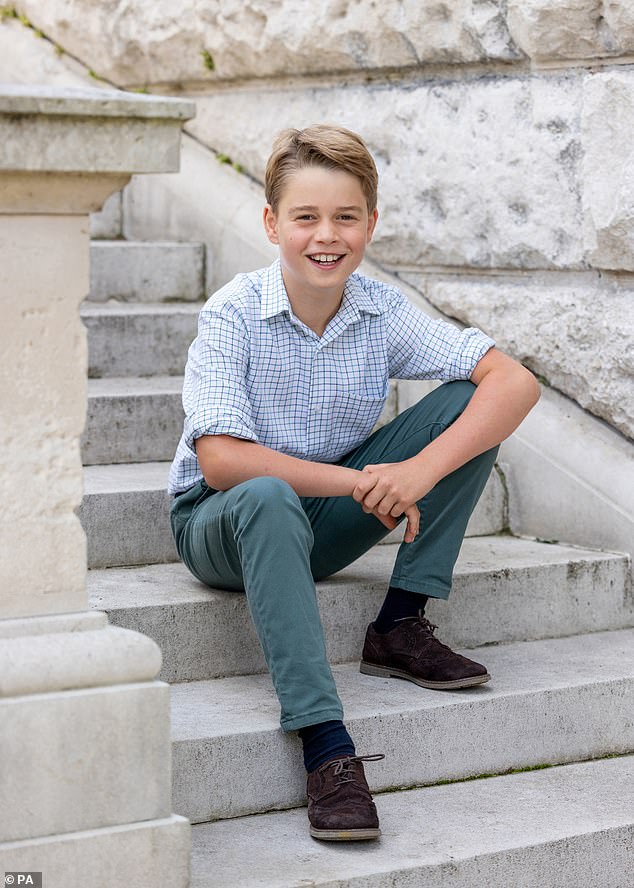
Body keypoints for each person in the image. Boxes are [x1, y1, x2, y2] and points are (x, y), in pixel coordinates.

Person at [167, 124, 541, 842]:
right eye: (305, 217)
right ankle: (326, 744)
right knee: (268, 493)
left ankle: (399, 623)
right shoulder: (233, 314)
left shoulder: (379, 309)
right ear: (273, 223)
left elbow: (513, 382)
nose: (325, 236)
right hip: (220, 525)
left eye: (345, 217)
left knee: (468, 405)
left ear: (371, 223)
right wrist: (357, 481)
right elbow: (221, 459)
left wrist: (418, 472)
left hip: (319, 525)